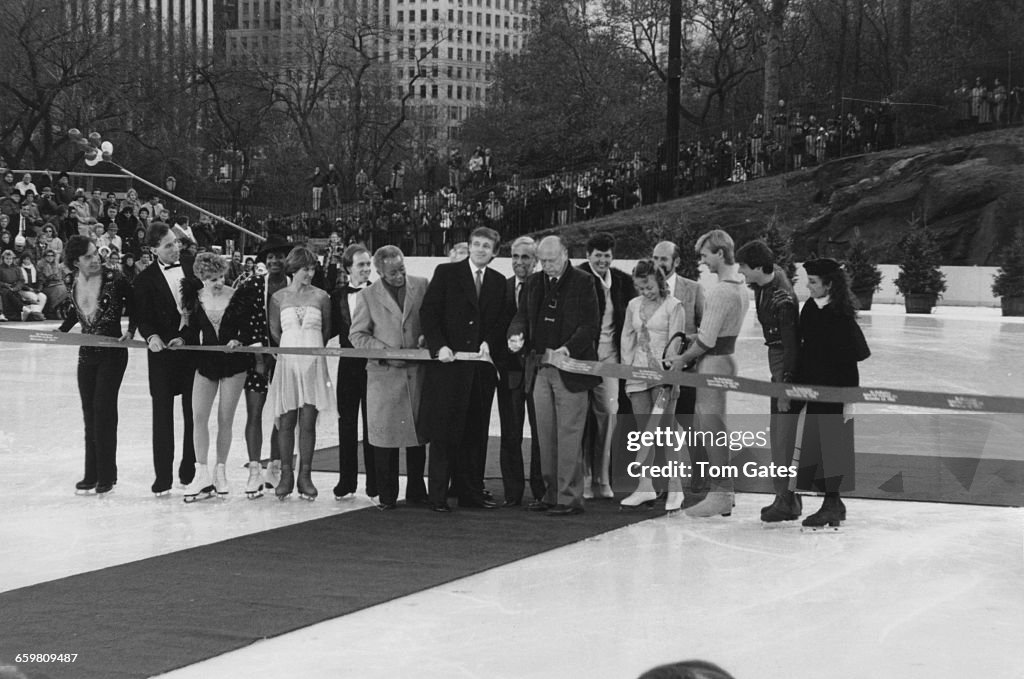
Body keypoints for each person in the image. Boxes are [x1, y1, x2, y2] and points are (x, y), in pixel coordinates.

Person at [507, 235, 601, 516]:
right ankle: (549, 493)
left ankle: (569, 498)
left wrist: (567, 349)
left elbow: (590, 325)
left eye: (552, 260)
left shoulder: (585, 282)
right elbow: (521, 316)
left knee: (569, 434)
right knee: (545, 435)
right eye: (543, 261)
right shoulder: (534, 283)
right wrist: (515, 335)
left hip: (570, 371)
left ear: (565, 254)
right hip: (539, 369)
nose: (547, 265)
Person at [420, 227, 510, 513]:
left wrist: (488, 343)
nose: (481, 249)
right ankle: (437, 496)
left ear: (495, 252)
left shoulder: (498, 281)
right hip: (449, 368)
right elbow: (429, 313)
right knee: (444, 433)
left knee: (475, 434)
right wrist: (440, 347)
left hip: (480, 372)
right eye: (477, 244)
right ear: (469, 247)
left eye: (487, 246)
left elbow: (502, 321)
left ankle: (471, 493)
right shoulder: (447, 273)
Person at [675, 229, 750, 518]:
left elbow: (707, 340)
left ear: (720, 253)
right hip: (724, 358)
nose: (703, 261)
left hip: (714, 362)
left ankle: (720, 493)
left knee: (711, 429)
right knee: (714, 427)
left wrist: (682, 358)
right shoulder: (738, 286)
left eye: (706, 255)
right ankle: (722, 492)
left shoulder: (720, 290)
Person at [349, 245, 429, 510]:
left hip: (416, 373)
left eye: (402, 270)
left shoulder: (422, 285)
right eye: (392, 272)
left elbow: (431, 320)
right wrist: (385, 353)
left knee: (418, 435)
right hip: (384, 376)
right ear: (380, 272)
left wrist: (427, 337)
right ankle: (387, 495)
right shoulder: (368, 296)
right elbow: (357, 335)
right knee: (385, 439)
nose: (399, 276)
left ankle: (418, 490)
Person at [180, 253, 263, 502]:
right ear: (202, 278)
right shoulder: (195, 298)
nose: (218, 282)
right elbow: (191, 329)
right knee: (198, 416)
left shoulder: (237, 296)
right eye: (212, 278)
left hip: (234, 363)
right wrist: (181, 339)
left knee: (225, 418)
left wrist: (239, 339)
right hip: (206, 363)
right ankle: (202, 472)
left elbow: (249, 328)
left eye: (221, 277)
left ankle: (220, 471)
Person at [58, 236, 136, 495]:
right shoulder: (71, 281)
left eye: (95, 254)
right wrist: (61, 331)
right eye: (88, 257)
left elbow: (135, 304)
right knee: (89, 412)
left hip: (113, 353)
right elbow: (75, 310)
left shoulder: (115, 278)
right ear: (75, 262)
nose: (95, 260)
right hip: (87, 353)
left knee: (103, 410)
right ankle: (91, 473)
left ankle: (107, 474)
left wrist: (131, 330)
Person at [796, 258, 870, 527]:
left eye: (813, 282)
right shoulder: (810, 309)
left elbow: (857, 352)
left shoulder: (840, 313)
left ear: (829, 284)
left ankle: (831, 503)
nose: (808, 285)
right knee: (817, 444)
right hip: (815, 388)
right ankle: (834, 502)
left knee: (832, 445)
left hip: (837, 389)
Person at [735, 240, 803, 522]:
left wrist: (785, 385)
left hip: (784, 363)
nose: (741, 272)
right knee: (779, 434)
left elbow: (791, 346)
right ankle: (786, 497)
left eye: (743, 267)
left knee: (782, 436)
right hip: (776, 359)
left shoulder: (781, 299)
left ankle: (786, 501)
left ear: (758, 268)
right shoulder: (768, 280)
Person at [266, 246, 336, 500]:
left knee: (308, 422)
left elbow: (326, 331)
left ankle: (305, 475)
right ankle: (286, 474)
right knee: (286, 422)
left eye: (313, 268)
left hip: (313, 364)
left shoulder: (322, 297)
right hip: (287, 364)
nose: (310, 273)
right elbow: (275, 332)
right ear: (294, 269)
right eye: (306, 268)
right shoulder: (278, 298)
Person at [133, 221, 197, 496]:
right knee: (162, 416)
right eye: (169, 244)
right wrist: (151, 337)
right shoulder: (144, 279)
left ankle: (189, 468)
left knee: (193, 412)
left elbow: (203, 309)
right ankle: (162, 476)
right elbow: (142, 317)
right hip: (161, 356)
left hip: (191, 350)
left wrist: (186, 336)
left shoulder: (193, 267)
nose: (176, 248)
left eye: (176, 242)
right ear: (153, 249)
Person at [618, 260, 687, 511]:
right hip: (637, 374)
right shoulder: (633, 305)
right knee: (643, 431)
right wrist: (627, 368)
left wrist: (670, 376)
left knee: (666, 432)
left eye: (648, 286)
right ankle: (645, 486)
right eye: (640, 288)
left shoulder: (674, 306)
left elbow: (677, 343)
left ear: (659, 281)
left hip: (663, 375)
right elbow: (627, 337)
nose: (645, 292)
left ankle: (675, 488)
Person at [577, 233, 635, 499]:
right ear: (588, 255)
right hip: (581, 359)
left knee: (608, 414)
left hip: (611, 360)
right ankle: (585, 478)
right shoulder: (577, 277)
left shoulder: (623, 281)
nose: (602, 259)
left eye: (607, 255)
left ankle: (602, 477)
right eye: (598, 255)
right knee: (580, 418)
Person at [235, 236, 292, 495]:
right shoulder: (253, 285)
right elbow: (242, 318)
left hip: (287, 360)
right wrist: (256, 351)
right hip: (258, 359)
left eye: (279, 256)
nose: (274, 261)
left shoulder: (295, 285)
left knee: (282, 415)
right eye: (269, 257)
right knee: (255, 412)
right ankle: (255, 470)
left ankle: (275, 467)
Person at [652, 240, 706, 507]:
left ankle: (701, 472)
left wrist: (683, 342)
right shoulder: (647, 289)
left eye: (664, 259)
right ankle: (663, 483)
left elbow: (707, 331)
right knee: (660, 427)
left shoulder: (693, 289)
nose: (658, 264)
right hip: (654, 372)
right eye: (655, 258)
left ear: (676, 262)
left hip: (687, 371)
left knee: (689, 423)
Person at [496, 236, 544, 506]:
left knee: (540, 435)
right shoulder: (502, 287)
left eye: (525, 257)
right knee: (510, 433)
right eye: (515, 256)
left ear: (535, 260)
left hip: (538, 373)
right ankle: (512, 493)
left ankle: (540, 491)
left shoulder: (545, 287)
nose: (519, 262)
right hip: (510, 374)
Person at [329, 244, 377, 501]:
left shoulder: (379, 292)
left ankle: (375, 482)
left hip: (373, 365)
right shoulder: (336, 296)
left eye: (368, 264)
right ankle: (346, 481)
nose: (366, 269)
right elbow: (328, 329)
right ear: (348, 268)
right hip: (347, 365)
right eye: (360, 265)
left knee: (373, 424)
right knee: (346, 423)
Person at [0, 249, 46, 320]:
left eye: (10, 258)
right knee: (8, 293)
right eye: (7, 258)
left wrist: (16, 288)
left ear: (13, 259)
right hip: (4, 289)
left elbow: (21, 280)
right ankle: (23, 308)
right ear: (3, 259)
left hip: (15, 288)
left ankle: (34, 313)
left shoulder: (17, 268)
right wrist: (5, 285)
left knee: (42, 297)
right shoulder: (1, 268)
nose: (9, 260)